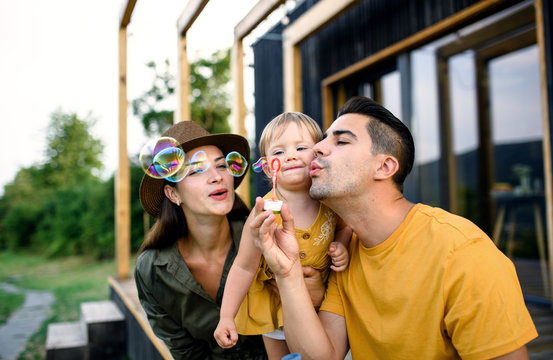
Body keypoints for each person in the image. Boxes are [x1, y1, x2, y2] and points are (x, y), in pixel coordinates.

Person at [249, 97, 538, 359]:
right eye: (324, 139)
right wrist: (287, 274)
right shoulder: (344, 253)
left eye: (341, 141)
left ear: (385, 167)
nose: (317, 149)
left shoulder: (463, 254)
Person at [213, 112, 351, 359]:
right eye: (278, 152)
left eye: (301, 147)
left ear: (318, 153)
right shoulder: (263, 214)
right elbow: (244, 267)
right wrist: (226, 316)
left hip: (324, 300)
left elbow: (344, 226)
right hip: (275, 307)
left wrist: (340, 245)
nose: (290, 156)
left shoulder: (330, 199)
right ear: (267, 167)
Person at [134, 121, 267, 359]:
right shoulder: (152, 271)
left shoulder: (264, 235)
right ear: (173, 194)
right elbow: (187, 354)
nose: (216, 177)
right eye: (196, 170)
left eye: (222, 165)